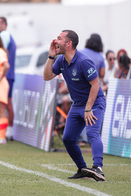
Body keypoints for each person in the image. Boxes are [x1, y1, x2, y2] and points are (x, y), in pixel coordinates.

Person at [43, 30, 106, 181]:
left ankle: (98, 168)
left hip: (94, 103)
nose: (56, 41)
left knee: (92, 134)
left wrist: (88, 108)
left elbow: (95, 85)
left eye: (59, 38)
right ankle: (82, 168)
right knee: (68, 138)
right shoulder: (60, 60)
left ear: (69, 43)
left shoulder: (84, 61)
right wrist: (51, 56)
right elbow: (47, 77)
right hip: (77, 104)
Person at [0, 17, 17, 141]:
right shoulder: (5, 35)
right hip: (7, 75)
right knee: (5, 104)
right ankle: (7, 132)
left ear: (4, 25)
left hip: (6, 76)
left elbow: (1, 54)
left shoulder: (4, 35)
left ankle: (7, 133)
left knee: (5, 104)